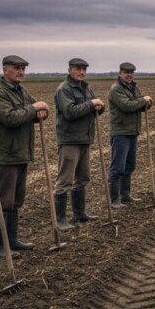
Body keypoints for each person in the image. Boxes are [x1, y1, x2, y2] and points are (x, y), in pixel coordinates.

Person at [0, 55, 49, 258]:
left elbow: (37, 108)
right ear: (5, 70)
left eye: (23, 68)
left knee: (15, 200)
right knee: (2, 201)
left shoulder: (21, 90)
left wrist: (42, 111)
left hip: (21, 153)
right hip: (6, 154)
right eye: (16, 68)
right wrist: (34, 109)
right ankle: (0, 245)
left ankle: (12, 240)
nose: (21, 72)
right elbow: (10, 118)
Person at [54, 58, 104, 230]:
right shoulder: (64, 89)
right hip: (69, 140)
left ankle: (79, 213)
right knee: (64, 180)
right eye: (78, 69)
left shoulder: (86, 87)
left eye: (84, 69)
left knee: (82, 177)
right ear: (70, 70)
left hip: (85, 138)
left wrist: (99, 106)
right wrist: (91, 104)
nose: (82, 72)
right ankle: (60, 220)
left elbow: (93, 107)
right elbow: (70, 112)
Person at [107, 62, 153, 208]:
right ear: (120, 73)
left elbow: (140, 105)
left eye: (132, 72)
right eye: (126, 72)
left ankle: (125, 195)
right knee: (117, 168)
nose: (129, 74)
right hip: (120, 132)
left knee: (130, 165)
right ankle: (114, 200)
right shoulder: (116, 89)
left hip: (133, 131)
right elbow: (127, 106)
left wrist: (148, 103)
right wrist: (142, 100)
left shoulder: (134, 87)